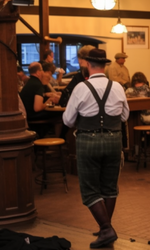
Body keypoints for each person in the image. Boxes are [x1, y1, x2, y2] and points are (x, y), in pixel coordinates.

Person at [62, 48, 129, 248]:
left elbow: (67, 120)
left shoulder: (81, 88)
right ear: (105, 65)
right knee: (109, 187)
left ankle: (106, 228)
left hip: (88, 141)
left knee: (90, 190)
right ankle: (105, 227)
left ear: (89, 65)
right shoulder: (117, 87)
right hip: (113, 140)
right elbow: (124, 116)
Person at [19, 62, 60, 138]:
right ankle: (59, 138)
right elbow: (37, 108)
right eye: (42, 70)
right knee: (60, 114)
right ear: (38, 72)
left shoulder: (30, 82)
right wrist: (48, 101)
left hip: (26, 115)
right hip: (33, 116)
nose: (43, 72)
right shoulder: (38, 85)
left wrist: (45, 95)